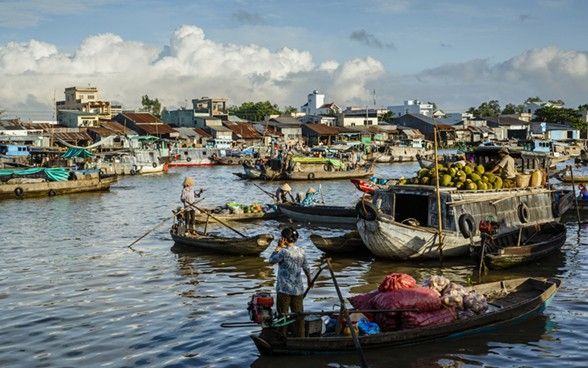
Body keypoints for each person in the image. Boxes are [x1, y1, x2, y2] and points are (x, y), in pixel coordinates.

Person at [269, 227, 312, 337]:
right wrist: (309, 280)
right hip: (298, 290)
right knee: (299, 316)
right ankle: (300, 337)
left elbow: (271, 261)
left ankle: (282, 337)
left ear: (283, 239)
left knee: (282, 316)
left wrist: (278, 247)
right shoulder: (301, 251)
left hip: (284, 289)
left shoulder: (284, 252)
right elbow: (306, 268)